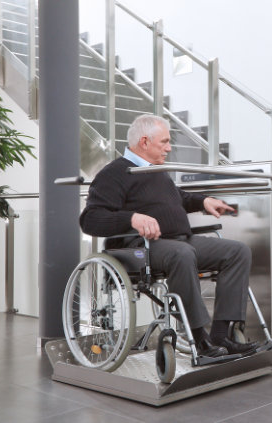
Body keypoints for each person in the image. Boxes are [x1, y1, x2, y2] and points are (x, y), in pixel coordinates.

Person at [80, 114, 256, 357]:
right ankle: (198, 338)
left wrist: (204, 201)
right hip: (142, 248)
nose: (169, 147)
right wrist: (132, 218)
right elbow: (90, 219)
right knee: (181, 254)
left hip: (180, 242)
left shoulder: (157, 172)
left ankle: (221, 334)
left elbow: (177, 198)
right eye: (164, 141)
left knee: (237, 251)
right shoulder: (115, 173)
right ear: (144, 141)